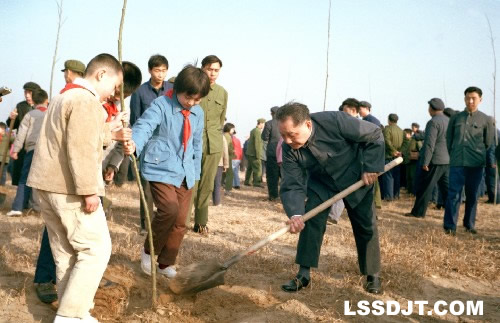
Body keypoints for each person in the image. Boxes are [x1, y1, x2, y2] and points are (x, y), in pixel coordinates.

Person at [27, 53, 124, 322]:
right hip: (69, 189)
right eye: (114, 87)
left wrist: (109, 132)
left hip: (46, 186)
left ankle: (75, 312)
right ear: (101, 75)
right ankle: (70, 317)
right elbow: (80, 149)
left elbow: (72, 136)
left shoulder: (62, 96)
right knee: (96, 249)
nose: (114, 94)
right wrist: (89, 190)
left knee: (66, 254)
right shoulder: (86, 100)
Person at [277, 102, 385, 294]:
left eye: (291, 134)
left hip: (356, 177)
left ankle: (372, 275)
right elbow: (292, 184)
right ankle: (304, 274)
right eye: (283, 135)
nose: (287, 141)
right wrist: (295, 214)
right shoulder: (288, 148)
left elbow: (375, 134)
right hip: (321, 182)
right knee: (310, 221)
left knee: (365, 225)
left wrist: (370, 166)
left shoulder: (336, 121)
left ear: (307, 125)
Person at [124, 65, 209, 278]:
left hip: (185, 172)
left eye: (197, 100)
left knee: (180, 221)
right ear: (177, 88)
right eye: (188, 97)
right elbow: (144, 126)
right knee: (168, 210)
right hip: (160, 167)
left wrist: (195, 171)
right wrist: (134, 143)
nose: (191, 103)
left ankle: (165, 263)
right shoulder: (161, 105)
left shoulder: (198, 113)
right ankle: (148, 251)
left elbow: (197, 143)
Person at [444, 87, 494, 235]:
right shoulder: (456, 118)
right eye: (468, 98)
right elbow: (449, 140)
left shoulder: (486, 120)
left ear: (480, 100)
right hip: (457, 163)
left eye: (474, 98)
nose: (470, 101)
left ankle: (469, 224)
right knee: (454, 194)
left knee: (472, 195)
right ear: (464, 99)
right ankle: (450, 226)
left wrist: (477, 155)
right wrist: (453, 155)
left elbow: (488, 142)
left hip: (476, 164)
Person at [130, 54, 171, 234]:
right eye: (157, 70)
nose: (160, 74)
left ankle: (163, 222)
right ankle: (146, 225)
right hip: (148, 145)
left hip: (168, 145)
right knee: (146, 187)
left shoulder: (172, 89)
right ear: (149, 70)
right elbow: (135, 120)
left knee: (166, 185)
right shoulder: (139, 92)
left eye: (163, 70)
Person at [191, 55, 228, 234]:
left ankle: (200, 222)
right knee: (191, 183)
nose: (212, 73)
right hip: (192, 142)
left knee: (207, 184)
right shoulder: (194, 87)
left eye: (216, 70)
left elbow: (221, 121)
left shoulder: (223, 93)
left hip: (213, 144)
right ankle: (181, 222)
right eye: (209, 69)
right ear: (202, 68)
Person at [7, 89, 49, 217]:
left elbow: (21, 134)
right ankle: (37, 207)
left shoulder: (30, 115)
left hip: (31, 150)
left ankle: (18, 207)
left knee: (24, 179)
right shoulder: (50, 114)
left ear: (34, 101)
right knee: (41, 180)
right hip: (47, 151)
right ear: (46, 101)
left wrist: (15, 150)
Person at [405, 98, 449, 218]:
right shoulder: (448, 120)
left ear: (431, 108)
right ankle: (451, 211)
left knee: (425, 187)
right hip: (446, 160)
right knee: (446, 189)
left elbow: (430, 143)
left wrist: (425, 162)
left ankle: (418, 212)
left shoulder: (433, 122)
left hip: (434, 160)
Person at [7, 82, 41, 187]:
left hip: (37, 146)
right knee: (19, 174)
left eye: (29, 92)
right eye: (25, 92)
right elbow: (13, 125)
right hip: (21, 146)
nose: (27, 95)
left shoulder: (43, 106)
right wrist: (11, 119)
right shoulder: (20, 106)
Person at [359, 101, 382, 209]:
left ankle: (376, 202)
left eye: (360, 108)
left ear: (366, 108)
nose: (359, 111)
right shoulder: (368, 119)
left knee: (373, 181)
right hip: (371, 152)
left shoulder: (371, 120)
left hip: (371, 152)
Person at [380, 113, 404, 201]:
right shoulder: (401, 130)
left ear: (388, 120)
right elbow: (405, 143)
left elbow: (387, 141)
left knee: (388, 176)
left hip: (389, 155)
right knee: (396, 176)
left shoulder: (387, 129)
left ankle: (388, 196)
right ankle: (396, 195)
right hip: (398, 156)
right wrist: (399, 152)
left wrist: (393, 151)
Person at [262, 106, 282, 201]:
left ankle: (273, 196)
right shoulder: (285, 123)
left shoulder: (269, 123)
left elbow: (264, 137)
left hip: (272, 152)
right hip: (284, 153)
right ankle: (285, 196)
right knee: (285, 176)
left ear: (271, 113)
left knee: (272, 175)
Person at [244, 118, 266, 187]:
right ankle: (257, 183)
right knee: (258, 168)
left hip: (249, 153)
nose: (264, 125)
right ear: (261, 123)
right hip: (254, 154)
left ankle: (247, 181)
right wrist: (258, 155)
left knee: (249, 168)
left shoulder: (253, 130)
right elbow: (258, 144)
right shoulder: (258, 131)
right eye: (264, 124)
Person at [213, 133, 229, 206]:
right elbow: (225, 151)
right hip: (219, 163)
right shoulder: (221, 136)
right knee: (217, 183)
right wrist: (226, 164)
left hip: (206, 163)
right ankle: (216, 202)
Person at [222, 123, 236, 194]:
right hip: (227, 157)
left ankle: (220, 186)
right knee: (230, 173)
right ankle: (228, 189)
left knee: (223, 173)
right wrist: (233, 151)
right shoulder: (227, 136)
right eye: (233, 129)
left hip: (224, 157)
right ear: (229, 128)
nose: (233, 130)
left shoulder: (224, 135)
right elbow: (227, 147)